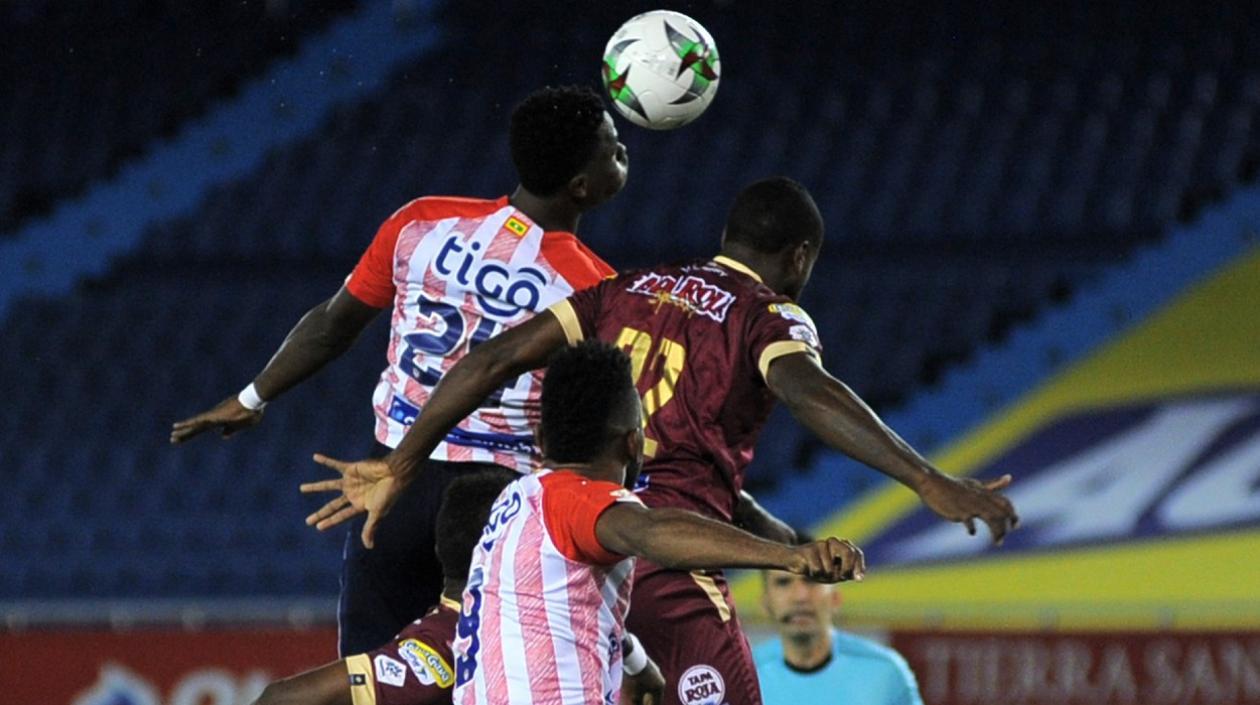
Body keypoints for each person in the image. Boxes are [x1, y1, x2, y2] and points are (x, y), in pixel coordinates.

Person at [304, 176, 1019, 705]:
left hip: (577, 566)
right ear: (798, 258)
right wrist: (927, 480)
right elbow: (811, 393)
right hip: (669, 564)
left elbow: (491, 360)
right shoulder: (768, 315)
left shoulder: (627, 289)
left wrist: (402, 460)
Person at [170, 85, 629, 655]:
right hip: (498, 498)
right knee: (494, 674)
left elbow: (332, 325)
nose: (623, 154)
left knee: (372, 673)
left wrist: (252, 396)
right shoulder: (596, 290)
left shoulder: (423, 223)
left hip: (389, 483)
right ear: (580, 187)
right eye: (612, 150)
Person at [445, 341, 865, 705]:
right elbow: (652, 533)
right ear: (633, 443)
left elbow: (555, 611)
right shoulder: (575, 500)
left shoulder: (515, 502)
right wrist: (788, 557)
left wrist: (635, 660)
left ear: (540, 439)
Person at [251, 467, 666, 705]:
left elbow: (618, 647)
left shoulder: (538, 621)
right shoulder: (450, 642)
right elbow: (280, 698)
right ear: (500, 544)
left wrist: (640, 667)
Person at [754, 537, 924, 705]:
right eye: (783, 582)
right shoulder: (745, 676)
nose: (800, 596)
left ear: (835, 598)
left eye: (813, 579)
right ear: (765, 602)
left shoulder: (886, 672)